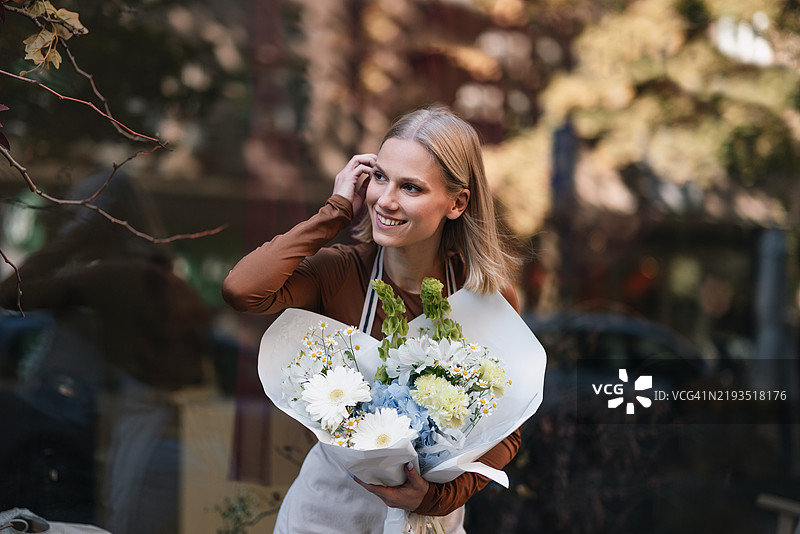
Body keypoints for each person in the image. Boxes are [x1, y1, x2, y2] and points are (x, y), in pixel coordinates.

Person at [222, 106, 522, 533]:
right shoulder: (341, 271)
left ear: (456, 203)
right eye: (380, 177)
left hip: (428, 523)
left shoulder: (485, 297)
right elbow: (242, 290)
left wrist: (436, 498)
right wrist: (336, 210)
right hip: (326, 516)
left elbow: (507, 430)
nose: (386, 199)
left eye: (411, 187)